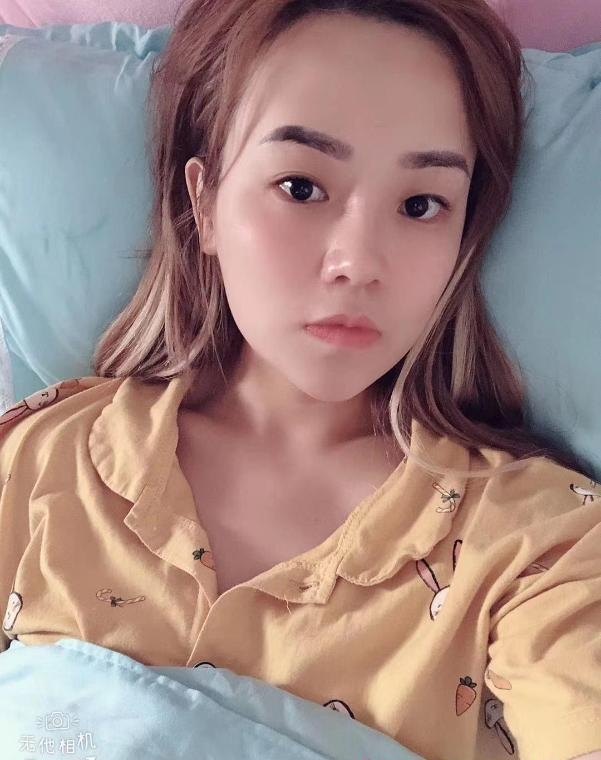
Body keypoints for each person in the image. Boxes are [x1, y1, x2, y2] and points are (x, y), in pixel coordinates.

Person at [1, 1, 600, 758]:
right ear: (204, 202)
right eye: (302, 187)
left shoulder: (540, 545)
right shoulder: (36, 463)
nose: (358, 261)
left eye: (421, 205)